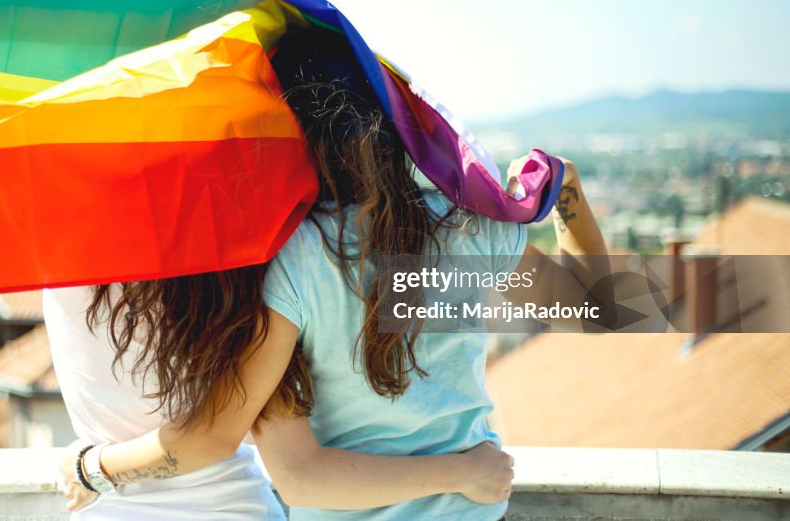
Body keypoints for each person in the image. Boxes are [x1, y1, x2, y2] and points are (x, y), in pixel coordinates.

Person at [49, 26, 611, 519]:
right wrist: (568, 193)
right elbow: (602, 306)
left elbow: (296, 474)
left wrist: (90, 468)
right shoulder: (471, 230)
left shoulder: (288, 263)